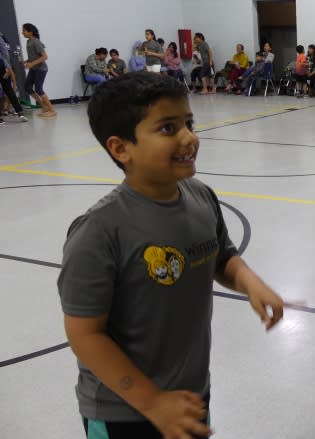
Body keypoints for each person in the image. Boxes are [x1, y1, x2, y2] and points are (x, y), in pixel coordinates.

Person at [59, 72, 287, 439]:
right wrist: (152, 402)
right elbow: (85, 335)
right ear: (121, 149)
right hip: (126, 410)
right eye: (168, 128)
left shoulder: (200, 196)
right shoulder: (99, 231)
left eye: (189, 123)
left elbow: (222, 257)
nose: (190, 138)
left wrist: (250, 283)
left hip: (187, 397)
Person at [22, 23, 56, 117]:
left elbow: (45, 57)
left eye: (24, 30)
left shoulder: (36, 42)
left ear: (30, 32)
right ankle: (44, 107)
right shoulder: (28, 41)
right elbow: (34, 56)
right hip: (34, 69)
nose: (22, 32)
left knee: (38, 89)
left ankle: (52, 110)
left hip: (40, 69)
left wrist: (31, 64)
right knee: (28, 87)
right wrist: (27, 61)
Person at [0, 31, 27, 124]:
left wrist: (8, 67)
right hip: (2, 65)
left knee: (8, 89)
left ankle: (20, 112)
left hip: (2, 66)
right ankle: (20, 113)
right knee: (8, 89)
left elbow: (4, 51)